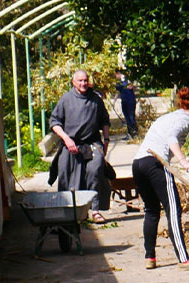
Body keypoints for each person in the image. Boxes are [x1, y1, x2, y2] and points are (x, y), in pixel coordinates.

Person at [133, 87, 189, 271]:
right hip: (155, 163)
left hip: (138, 163)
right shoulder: (184, 119)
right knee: (173, 210)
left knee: (151, 210)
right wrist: (184, 161)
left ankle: (149, 257)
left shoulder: (168, 117)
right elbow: (171, 137)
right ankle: (184, 260)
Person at [48, 69, 110, 222]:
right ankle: (68, 214)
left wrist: (106, 140)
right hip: (70, 145)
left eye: (85, 80)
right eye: (80, 81)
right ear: (73, 82)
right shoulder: (66, 100)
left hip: (92, 144)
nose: (83, 83)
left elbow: (105, 121)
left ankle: (95, 210)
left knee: (95, 171)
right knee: (65, 175)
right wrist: (66, 139)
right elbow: (54, 123)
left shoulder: (96, 100)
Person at [115, 71, 140, 140]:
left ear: (118, 73)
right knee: (127, 118)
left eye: (116, 75)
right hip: (124, 101)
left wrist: (127, 83)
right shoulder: (118, 83)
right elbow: (117, 92)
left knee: (131, 117)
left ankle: (135, 133)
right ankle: (130, 134)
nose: (115, 77)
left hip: (130, 101)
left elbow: (131, 86)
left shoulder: (127, 79)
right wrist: (114, 101)